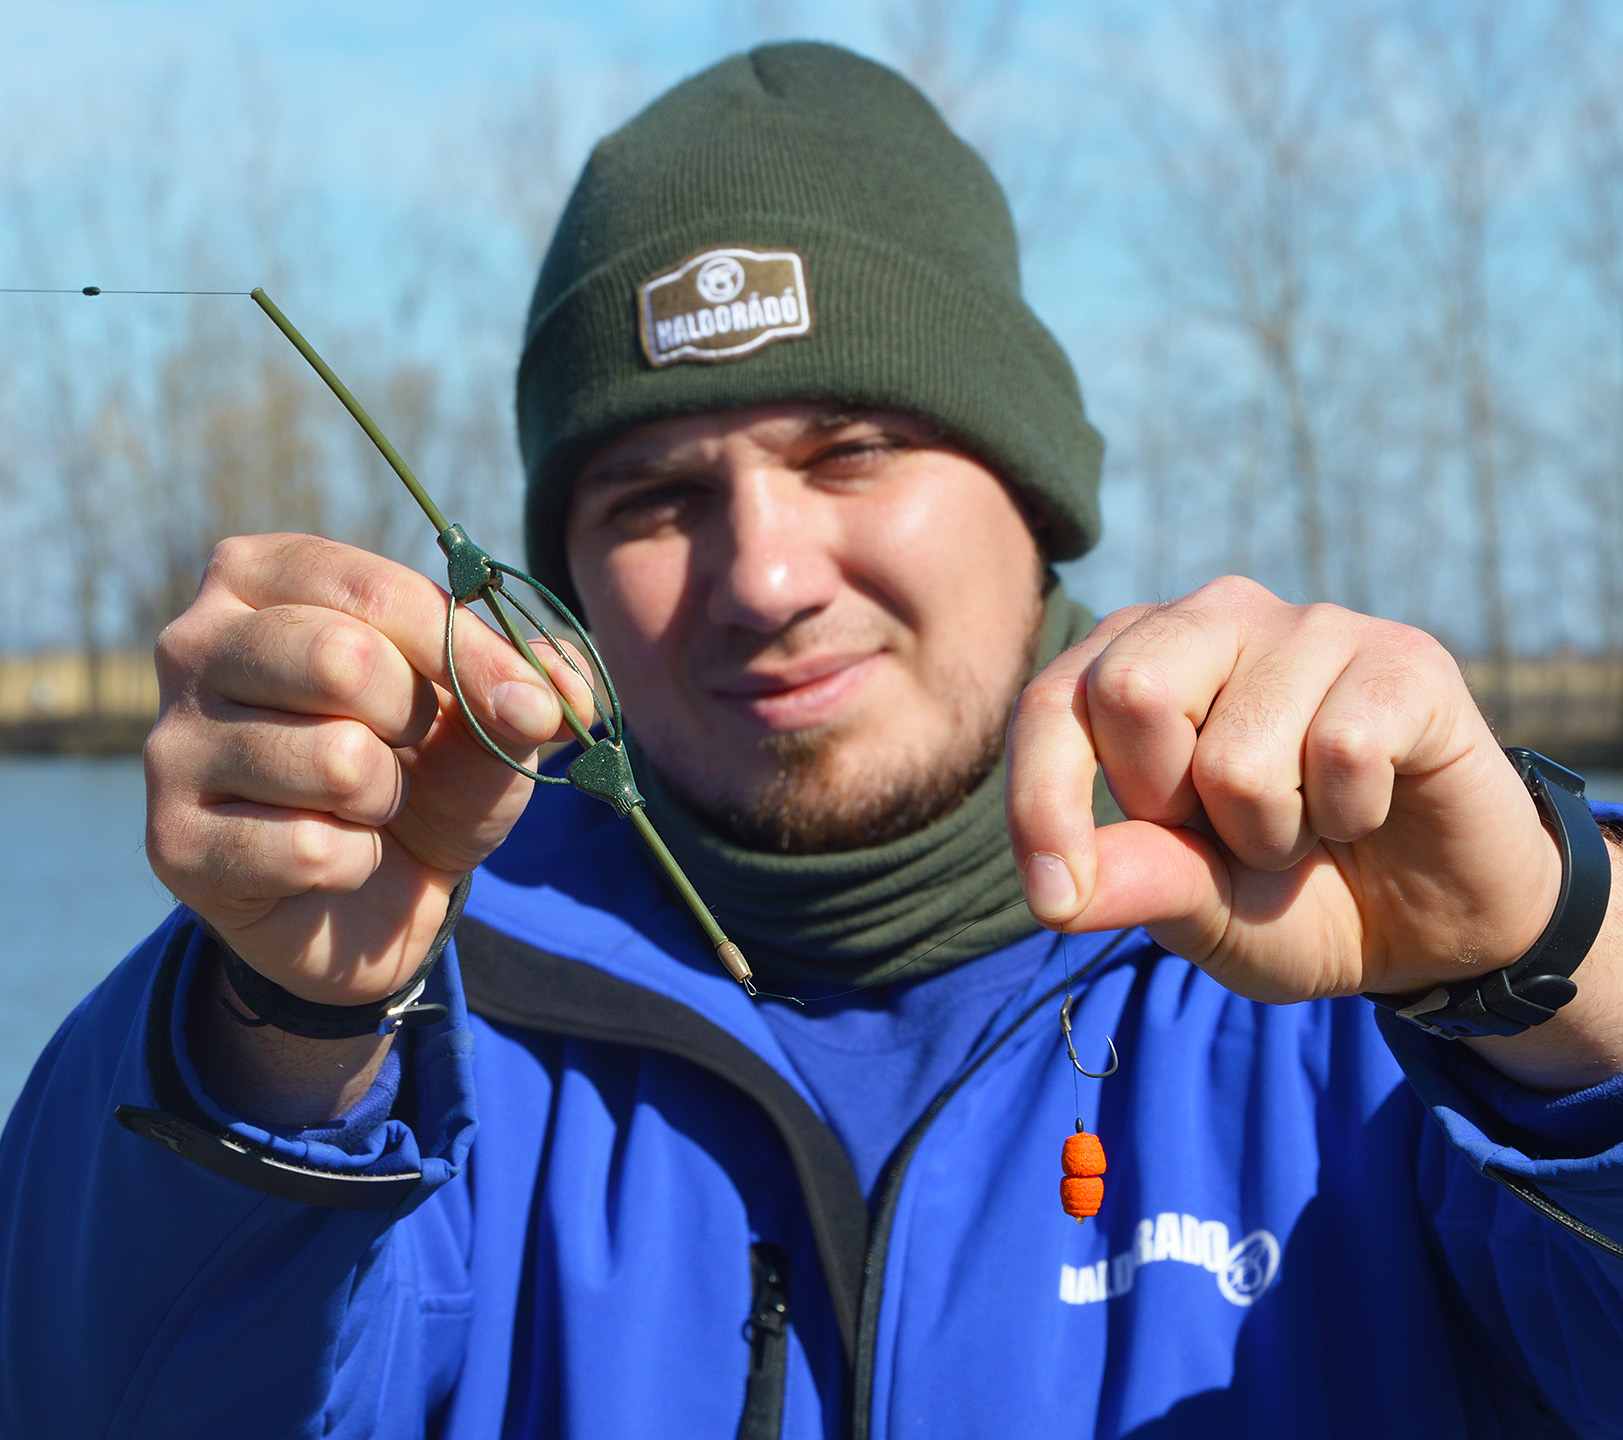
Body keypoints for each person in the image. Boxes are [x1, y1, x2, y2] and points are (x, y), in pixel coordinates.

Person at [4, 41, 1623, 1440]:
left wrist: (1553, 972)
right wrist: (275, 1025)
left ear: (1036, 499)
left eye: (851, 449)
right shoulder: (402, 1015)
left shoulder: (1370, 964)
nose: (765, 578)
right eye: (654, 497)